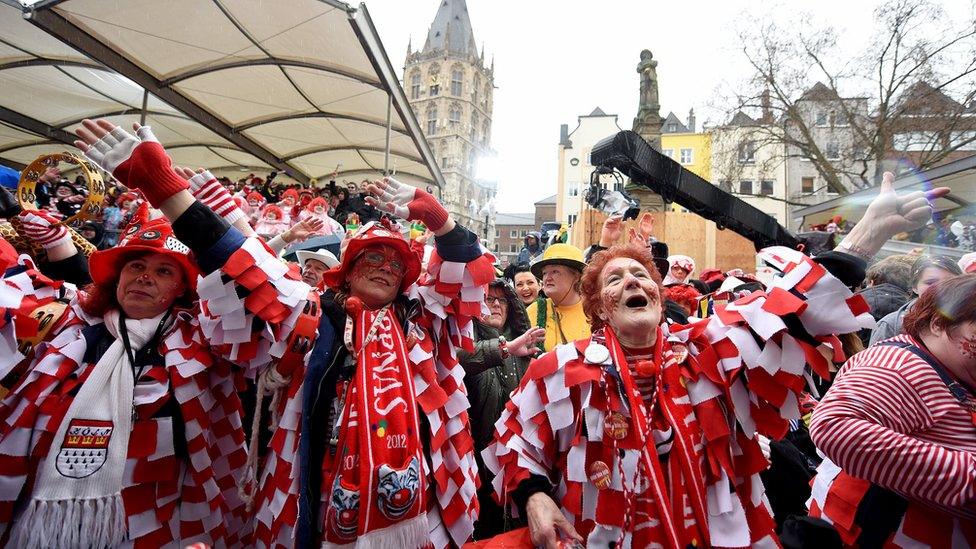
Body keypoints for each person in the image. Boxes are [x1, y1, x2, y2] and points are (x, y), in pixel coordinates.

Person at [483, 171, 946, 548]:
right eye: (615, 278)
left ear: (660, 300)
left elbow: (796, 312)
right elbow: (514, 442)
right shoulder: (559, 368)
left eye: (641, 276)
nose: (631, 282)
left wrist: (867, 234)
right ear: (601, 308)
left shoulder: (711, 348)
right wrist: (535, 496)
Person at [0, 119, 310, 547]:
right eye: (136, 266)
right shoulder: (70, 324)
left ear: (185, 288)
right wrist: (43, 235)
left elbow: (278, 303)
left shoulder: (206, 338)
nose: (145, 278)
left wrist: (172, 194)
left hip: (167, 530)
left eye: (163, 270)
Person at [296, 177, 496, 548]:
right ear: (349, 268)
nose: (386, 267)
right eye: (374, 256)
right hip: (326, 487)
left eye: (395, 263)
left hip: (418, 496)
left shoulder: (419, 318)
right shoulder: (314, 314)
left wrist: (440, 220)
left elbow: (470, 277)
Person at [808, 274, 976, 547]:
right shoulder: (898, 364)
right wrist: (968, 476)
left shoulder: (951, 367)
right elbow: (835, 427)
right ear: (938, 324)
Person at [458, 279, 545, 540]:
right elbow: (458, 358)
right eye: (488, 299)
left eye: (501, 300)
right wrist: (505, 348)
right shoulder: (463, 342)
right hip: (474, 469)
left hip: (516, 467)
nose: (495, 305)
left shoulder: (528, 350)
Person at [869, 254, 961, 345]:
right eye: (931, 283)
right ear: (914, 287)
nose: (940, 287)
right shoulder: (891, 326)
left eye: (949, 282)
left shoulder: (968, 319)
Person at [525, 243, 590, 352]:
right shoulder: (533, 311)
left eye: (555, 271)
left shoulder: (594, 310)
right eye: (545, 273)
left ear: (576, 276)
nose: (547, 278)